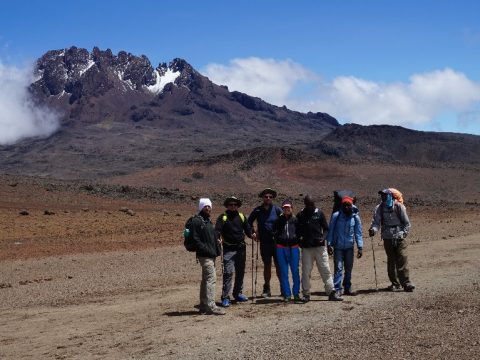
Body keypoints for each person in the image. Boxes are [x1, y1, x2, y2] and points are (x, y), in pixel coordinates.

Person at [297, 195, 342, 301]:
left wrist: (323, 238)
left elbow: (326, 229)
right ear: (305, 204)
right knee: (306, 271)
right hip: (307, 248)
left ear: (314, 204)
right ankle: (306, 294)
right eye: (308, 205)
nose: (310, 207)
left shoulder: (319, 213)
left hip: (320, 247)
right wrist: (299, 242)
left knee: (325, 269)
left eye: (312, 204)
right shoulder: (300, 214)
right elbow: (297, 230)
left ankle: (331, 292)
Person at [368, 189, 415, 292]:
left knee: (402, 258)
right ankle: (395, 283)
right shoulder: (379, 208)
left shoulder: (399, 207)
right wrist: (373, 230)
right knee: (391, 260)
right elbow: (376, 222)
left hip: (400, 236)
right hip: (387, 237)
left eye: (385, 195)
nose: (383, 197)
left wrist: (403, 233)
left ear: (390, 196)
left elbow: (406, 223)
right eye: (382, 196)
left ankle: (406, 283)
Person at [215, 196, 253, 307]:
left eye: (235, 205)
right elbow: (217, 230)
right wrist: (217, 237)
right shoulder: (223, 217)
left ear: (237, 206)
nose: (233, 206)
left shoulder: (241, 216)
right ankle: (225, 297)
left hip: (241, 249)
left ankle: (237, 294)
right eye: (231, 204)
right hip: (228, 250)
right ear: (227, 205)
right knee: (228, 273)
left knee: (240, 272)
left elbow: (248, 230)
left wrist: (252, 234)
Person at [192, 198, 225, 315]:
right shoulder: (197, 221)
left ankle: (203, 305)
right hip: (205, 255)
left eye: (209, 206)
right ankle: (211, 306)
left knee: (205, 280)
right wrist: (205, 249)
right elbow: (196, 239)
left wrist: (217, 242)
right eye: (205, 206)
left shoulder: (207, 221)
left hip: (210, 254)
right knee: (211, 279)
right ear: (201, 207)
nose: (207, 208)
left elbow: (209, 237)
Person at [248, 188, 282, 298]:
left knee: (279, 265)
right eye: (266, 196)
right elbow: (248, 222)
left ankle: (283, 287)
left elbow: (285, 221)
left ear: (272, 198)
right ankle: (267, 288)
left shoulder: (277, 210)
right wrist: (253, 233)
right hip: (264, 242)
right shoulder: (257, 210)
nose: (268, 198)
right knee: (267, 265)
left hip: (277, 242)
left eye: (270, 197)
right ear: (262, 197)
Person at [327, 196, 363, 298]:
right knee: (338, 268)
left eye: (348, 205)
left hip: (349, 247)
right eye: (345, 205)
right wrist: (329, 244)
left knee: (348, 268)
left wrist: (360, 247)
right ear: (342, 206)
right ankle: (337, 289)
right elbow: (331, 231)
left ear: (352, 206)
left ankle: (347, 287)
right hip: (338, 247)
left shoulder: (355, 217)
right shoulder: (336, 216)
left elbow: (358, 233)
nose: (347, 207)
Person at [273, 199, 301, 303]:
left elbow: (299, 231)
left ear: (292, 208)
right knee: (284, 272)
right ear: (282, 209)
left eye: (288, 207)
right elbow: (274, 231)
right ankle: (287, 294)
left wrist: (296, 239)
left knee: (295, 271)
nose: (286, 209)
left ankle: (296, 293)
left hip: (294, 247)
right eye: (284, 208)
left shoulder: (295, 220)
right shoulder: (278, 220)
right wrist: (278, 238)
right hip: (281, 248)